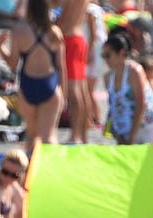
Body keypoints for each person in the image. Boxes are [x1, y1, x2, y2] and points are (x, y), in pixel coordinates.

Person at [4, 0, 64, 158]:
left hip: (28, 84)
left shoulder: (19, 30)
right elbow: (60, 66)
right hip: (49, 83)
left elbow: (12, 64)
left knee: (31, 135)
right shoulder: (54, 32)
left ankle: (29, 172)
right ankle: (52, 171)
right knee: (49, 136)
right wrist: (63, 92)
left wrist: (0, 47)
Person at [101, 30, 153, 145]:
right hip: (126, 129)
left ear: (121, 53)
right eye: (103, 56)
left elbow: (141, 104)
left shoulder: (135, 71)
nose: (105, 60)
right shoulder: (108, 77)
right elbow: (114, 107)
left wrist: (132, 136)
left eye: (108, 55)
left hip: (148, 127)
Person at [57, 0, 95, 144]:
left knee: (74, 90)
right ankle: (83, 134)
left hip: (70, 38)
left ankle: (76, 135)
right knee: (82, 89)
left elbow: (65, 18)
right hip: (79, 38)